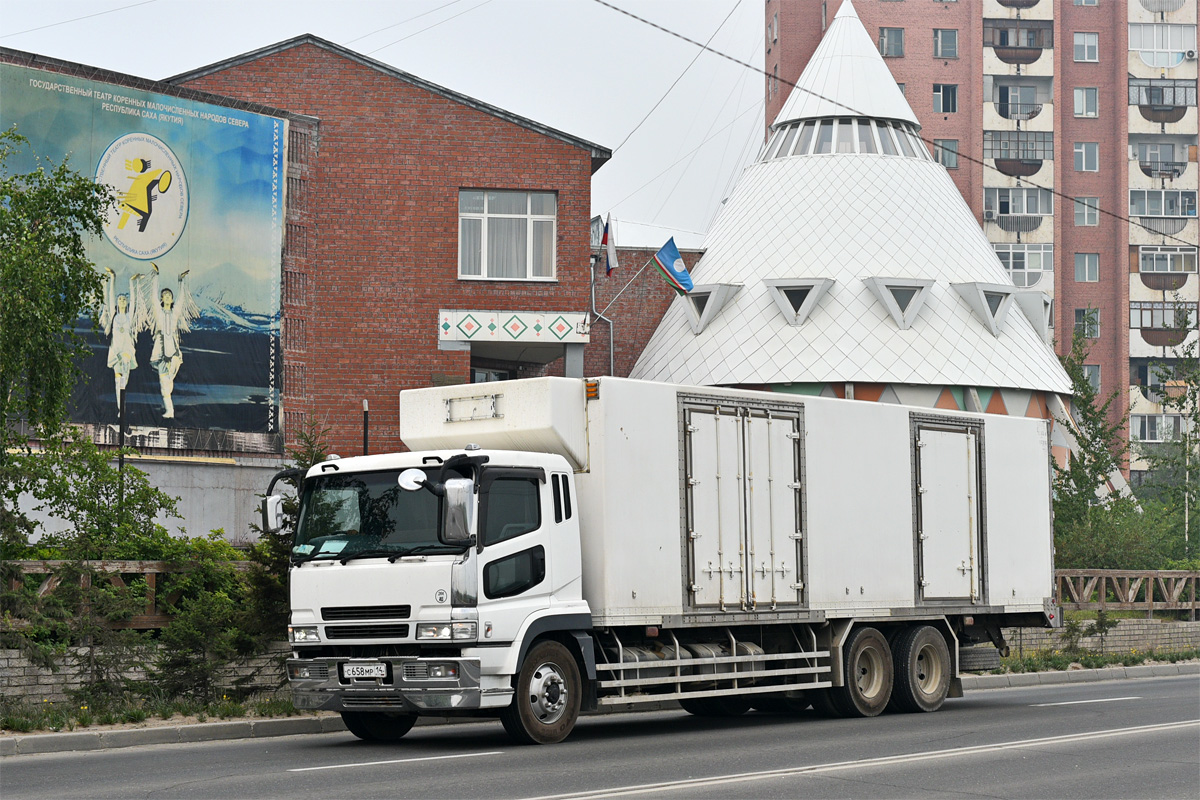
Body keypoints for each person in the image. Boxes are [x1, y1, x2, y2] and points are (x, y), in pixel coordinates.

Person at [141, 263, 198, 419]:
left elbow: (181, 300)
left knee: (168, 382)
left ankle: (169, 409)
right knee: (163, 383)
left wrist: (181, 281)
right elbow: (152, 297)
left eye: (169, 295)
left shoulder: (174, 314)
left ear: (171, 299)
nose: (167, 297)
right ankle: (169, 410)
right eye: (164, 295)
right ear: (162, 298)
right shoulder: (159, 312)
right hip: (160, 350)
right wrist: (156, 276)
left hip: (172, 351)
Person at [100, 268, 140, 410]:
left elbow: (134, 302)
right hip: (116, 352)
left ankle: (121, 407)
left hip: (127, 352)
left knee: (124, 380)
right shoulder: (114, 316)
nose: (122, 300)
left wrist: (131, 283)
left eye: (124, 299)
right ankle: (120, 409)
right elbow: (110, 297)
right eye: (120, 299)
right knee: (118, 381)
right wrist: (113, 278)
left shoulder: (129, 316)